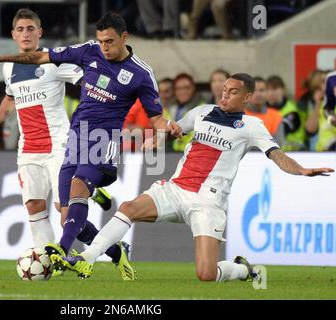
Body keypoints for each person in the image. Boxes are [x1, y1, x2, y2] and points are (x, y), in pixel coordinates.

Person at [53, 73, 334, 280]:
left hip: (208, 202)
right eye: (223, 90)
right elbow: (174, 127)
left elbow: (275, 154)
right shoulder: (201, 112)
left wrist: (302, 170)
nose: (224, 95)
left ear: (247, 97)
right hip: (175, 190)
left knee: (206, 274)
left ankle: (244, 270)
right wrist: (159, 137)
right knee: (128, 208)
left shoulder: (252, 126)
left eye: (233, 92)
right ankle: (86, 258)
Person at [0, 11, 183, 280]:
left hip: (100, 140)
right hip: (74, 138)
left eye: (109, 41)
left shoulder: (141, 74)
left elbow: (156, 118)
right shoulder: (88, 51)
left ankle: (60, 251)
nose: (104, 47)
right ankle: (115, 251)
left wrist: (168, 126)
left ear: (124, 37)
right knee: (67, 219)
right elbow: (41, 57)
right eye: (101, 42)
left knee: (76, 188)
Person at [0, 9, 115, 270]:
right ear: (13, 35)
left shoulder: (54, 61)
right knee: (33, 205)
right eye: (20, 29)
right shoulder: (9, 66)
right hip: (28, 148)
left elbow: (87, 81)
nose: (25, 33)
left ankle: (109, 240)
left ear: (39, 33)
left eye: (30, 28)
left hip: (58, 145)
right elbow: (11, 97)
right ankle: (48, 261)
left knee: (65, 215)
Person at [266, 75, 306, 151]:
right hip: (274, 153)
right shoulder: (264, 110)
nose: (270, 93)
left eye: (275, 89)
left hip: (295, 152)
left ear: (283, 90)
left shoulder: (291, 110)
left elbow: (278, 132)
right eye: (267, 90)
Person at [246, 77, 285, 147]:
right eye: (254, 91)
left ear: (267, 93)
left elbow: (278, 143)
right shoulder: (239, 114)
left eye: (261, 90)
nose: (258, 94)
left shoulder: (276, 116)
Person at [169, 73, 204, 152]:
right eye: (178, 89)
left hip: (192, 155)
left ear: (193, 89)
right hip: (171, 153)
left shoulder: (202, 109)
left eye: (187, 88)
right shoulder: (169, 109)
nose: (183, 92)